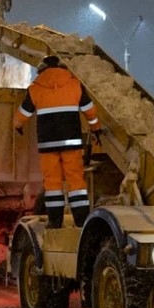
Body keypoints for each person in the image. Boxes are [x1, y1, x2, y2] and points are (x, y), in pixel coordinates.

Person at [14, 55, 102, 228]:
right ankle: (81, 221)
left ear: (41, 70)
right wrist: (96, 128)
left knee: (52, 184)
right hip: (72, 143)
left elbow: (22, 115)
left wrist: (17, 125)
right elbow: (90, 111)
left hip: (48, 146)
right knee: (76, 182)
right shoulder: (74, 85)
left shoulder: (35, 89)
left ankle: (55, 222)